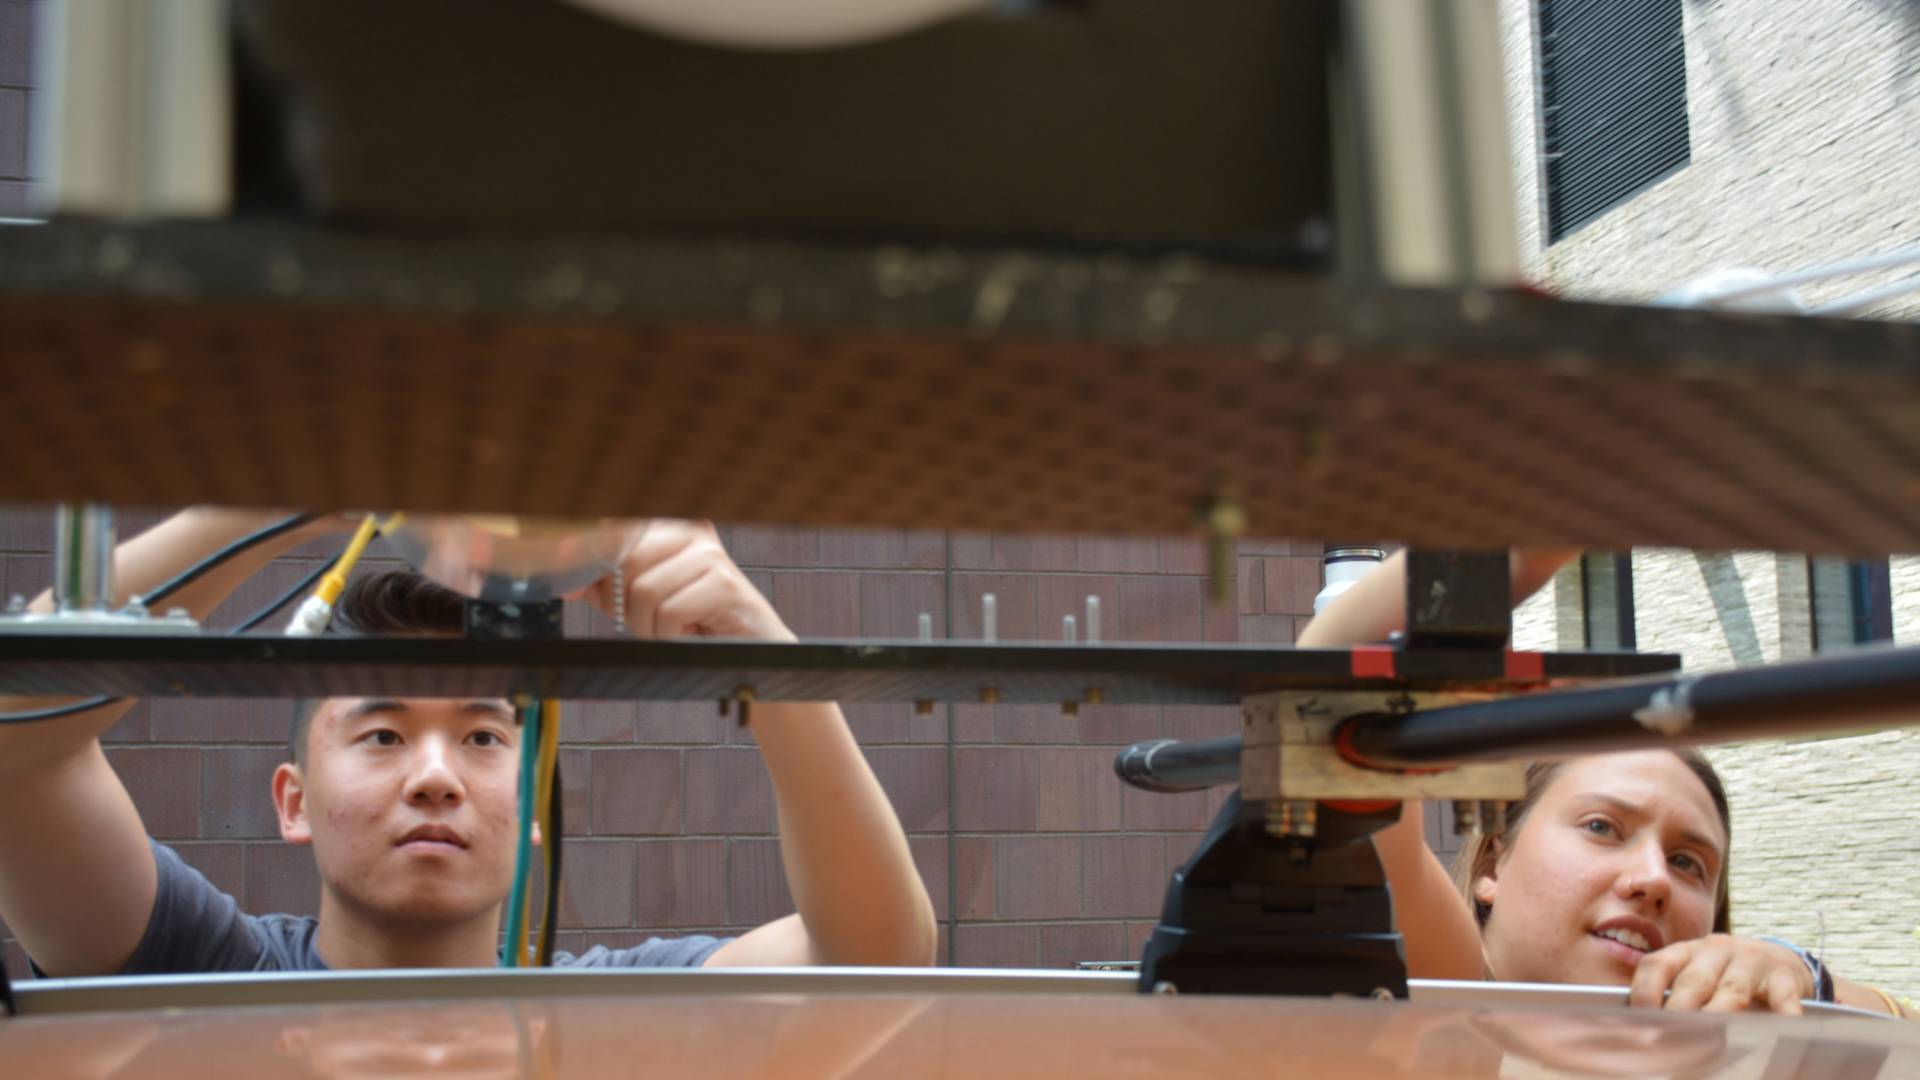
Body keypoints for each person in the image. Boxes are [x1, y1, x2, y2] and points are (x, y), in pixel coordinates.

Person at [0, 509, 937, 975]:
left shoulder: (610, 1018)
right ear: (294, 800)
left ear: (535, 808)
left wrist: (762, 654)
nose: (436, 776)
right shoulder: (206, 975)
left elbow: (877, 954)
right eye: (381, 733)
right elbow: (15, 742)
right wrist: (286, 495)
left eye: (484, 736)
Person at [1300, 549, 1914, 1018]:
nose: (1654, 880)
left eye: (1689, 863)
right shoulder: (1446, 1013)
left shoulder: (1743, 1050)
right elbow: (1330, 692)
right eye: (1602, 827)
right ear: (1491, 863)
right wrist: (1508, 546)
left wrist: (1802, 978)